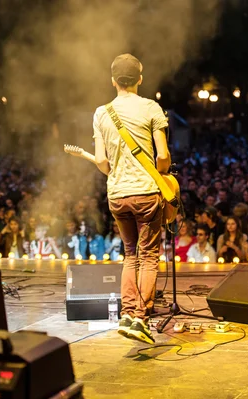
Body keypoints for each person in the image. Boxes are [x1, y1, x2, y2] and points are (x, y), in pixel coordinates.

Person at [90, 54, 171, 344]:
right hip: (146, 193)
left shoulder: (101, 113)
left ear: (113, 80)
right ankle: (140, 318)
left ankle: (126, 313)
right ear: (140, 78)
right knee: (148, 257)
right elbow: (162, 156)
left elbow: (102, 161)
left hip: (117, 195)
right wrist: (162, 172)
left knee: (131, 254)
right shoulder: (151, 107)